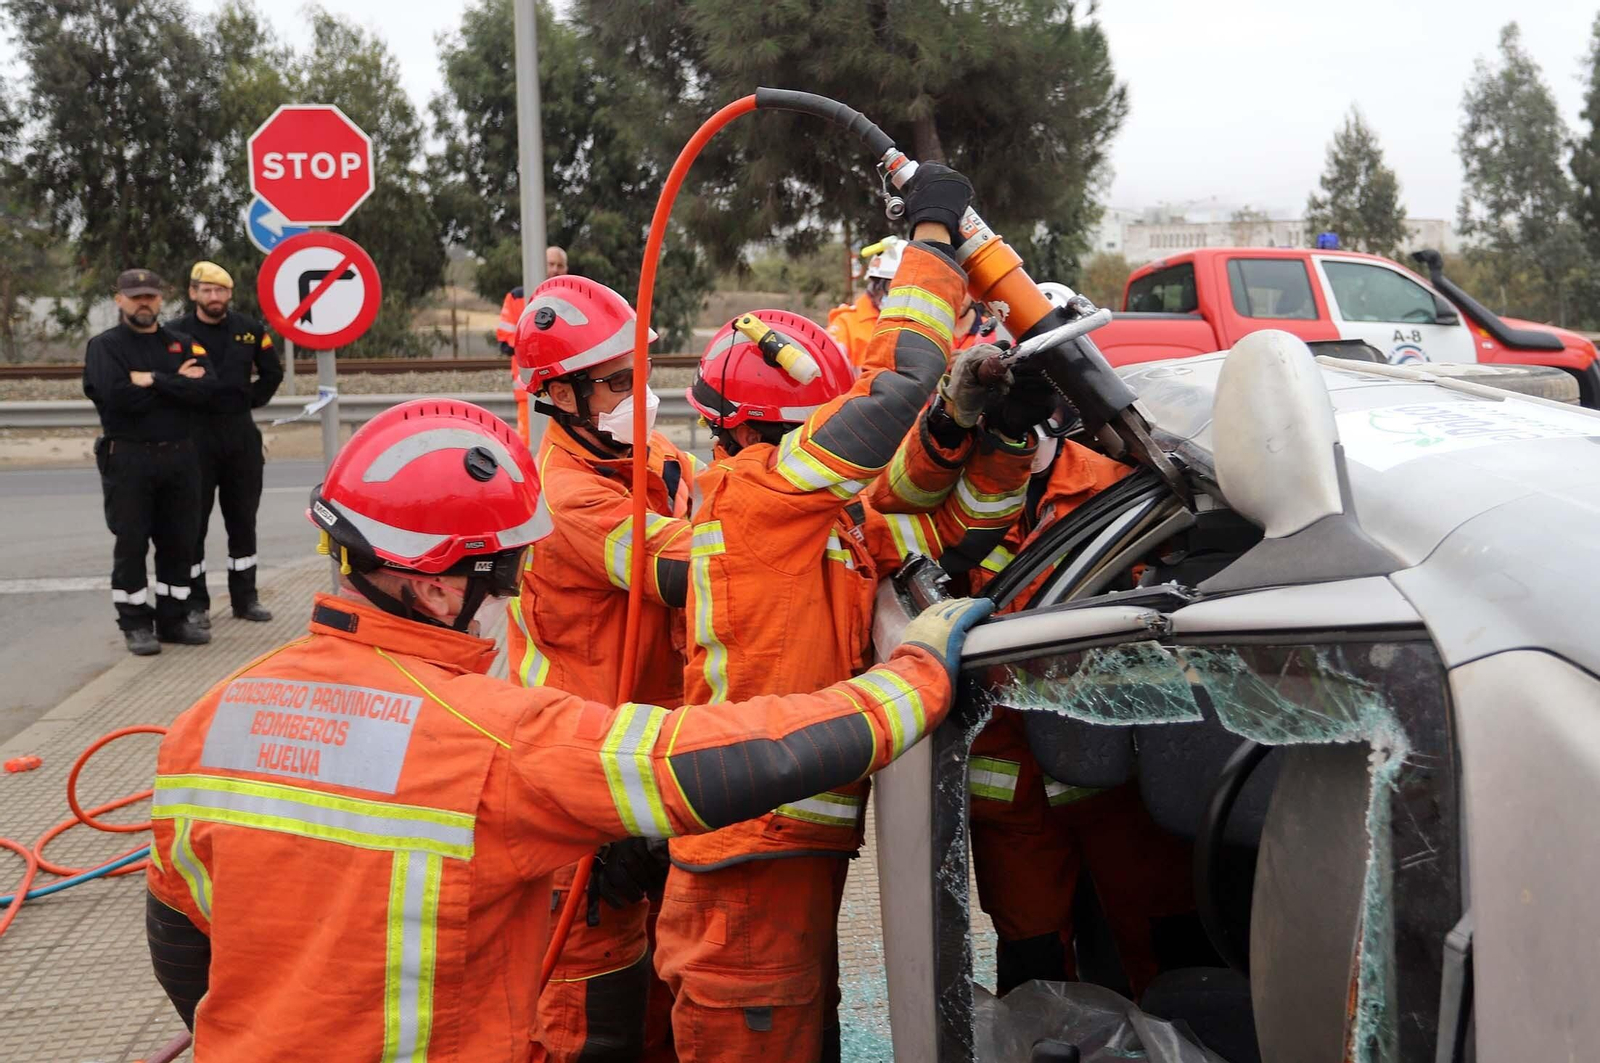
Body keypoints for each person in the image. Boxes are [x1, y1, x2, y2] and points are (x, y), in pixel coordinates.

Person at [142, 398, 990, 1062]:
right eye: (505, 573)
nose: (513, 598)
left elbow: (180, 941)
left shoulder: (207, 721)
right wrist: (911, 678)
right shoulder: (489, 736)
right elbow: (712, 761)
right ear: (439, 591)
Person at [658, 165, 1038, 1063]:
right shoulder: (757, 497)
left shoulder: (815, 513)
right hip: (747, 860)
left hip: (782, 848)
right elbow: (895, 388)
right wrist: (935, 241)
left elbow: (949, 523)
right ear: (779, 426)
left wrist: (993, 429)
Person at [509, 276, 694, 1062]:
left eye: (639, 375)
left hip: (642, 759)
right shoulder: (563, 493)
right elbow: (684, 570)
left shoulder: (658, 458)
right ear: (559, 393)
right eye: (618, 383)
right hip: (581, 780)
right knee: (593, 1024)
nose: (638, 395)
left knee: (659, 997)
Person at [82, 269, 216, 655]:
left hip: (180, 457)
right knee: (132, 541)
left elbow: (207, 390)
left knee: (180, 542)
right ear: (119, 299)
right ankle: (135, 621)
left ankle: (173, 620)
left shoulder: (182, 342)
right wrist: (177, 382)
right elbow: (115, 398)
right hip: (129, 458)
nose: (144, 302)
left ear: (162, 299)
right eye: (135, 296)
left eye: (151, 296)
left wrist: (153, 379)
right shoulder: (105, 347)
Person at [172, 261, 283, 627]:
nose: (214, 297)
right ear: (193, 293)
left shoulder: (249, 331)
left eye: (220, 291)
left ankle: (245, 599)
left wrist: (246, 400)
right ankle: (195, 603)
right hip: (194, 439)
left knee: (242, 521)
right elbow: (163, 378)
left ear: (229, 294)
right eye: (206, 290)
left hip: (240, 437)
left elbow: (272, 372)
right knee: (192, 525)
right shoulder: (174, 333)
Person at [825, 235, 901, 366]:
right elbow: (826, 365)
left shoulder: (928, 323)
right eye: (895, 287)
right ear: (877, 285)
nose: (903, 296)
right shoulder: (847, 324)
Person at [497, 248, 572, 355]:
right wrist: (535, 344)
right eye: (550, 264)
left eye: (560, 266)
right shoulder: (517, 297)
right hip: (525, 370)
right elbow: (505, 343)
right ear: (540, 266)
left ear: (566, 269)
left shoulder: (573, 298)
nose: (555, 270)